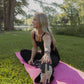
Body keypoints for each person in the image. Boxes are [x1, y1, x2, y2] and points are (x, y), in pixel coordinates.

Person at [20, 12, 60, 84]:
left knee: (47, 62)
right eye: (33, 19)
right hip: (43, 54)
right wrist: (32, 58)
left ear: (41, 22)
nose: (32, 21)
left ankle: (45, 76)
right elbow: (35, 47)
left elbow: (47, 47)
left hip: (52, 55)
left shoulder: (46, 35)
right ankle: (40, 62)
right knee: (23, 52)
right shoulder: (33, 33)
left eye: (35, 20)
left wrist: (47, 54)